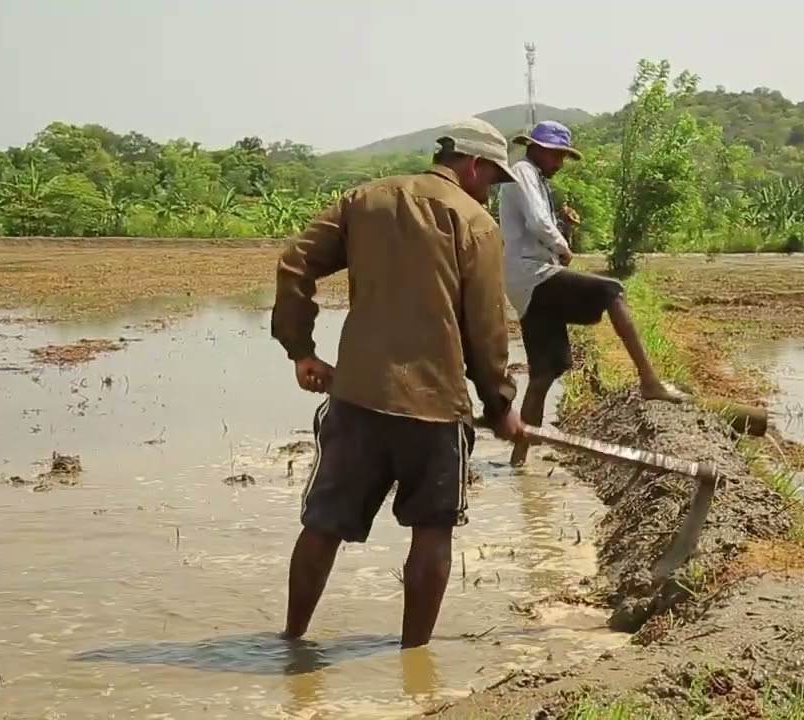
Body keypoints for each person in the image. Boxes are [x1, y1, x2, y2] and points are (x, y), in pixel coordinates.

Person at [270, 117, 526, 649]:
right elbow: (487, 328)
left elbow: (295, 263)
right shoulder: (475, 223)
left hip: (358, 397)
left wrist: (302, 351)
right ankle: (415, 664)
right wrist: (500, 402)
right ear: (473, 166)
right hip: (435, 408)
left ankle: (291, 641)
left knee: (324, 525)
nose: (492, 190)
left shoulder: (365, 199)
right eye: (493, 179)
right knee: (432, 533)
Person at [498, 120, 688, 468]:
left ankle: (518, 463)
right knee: (613, 291)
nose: (559, 163)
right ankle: (649, 380)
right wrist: (563, 245)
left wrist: (561, 228)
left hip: (526, 279)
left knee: (544, 372)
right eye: (556, 155)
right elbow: (539, 224)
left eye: (562, 157)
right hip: (534, 274)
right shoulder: (523, 170)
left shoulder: (533, 177)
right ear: (537, 149)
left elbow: (535, 223)